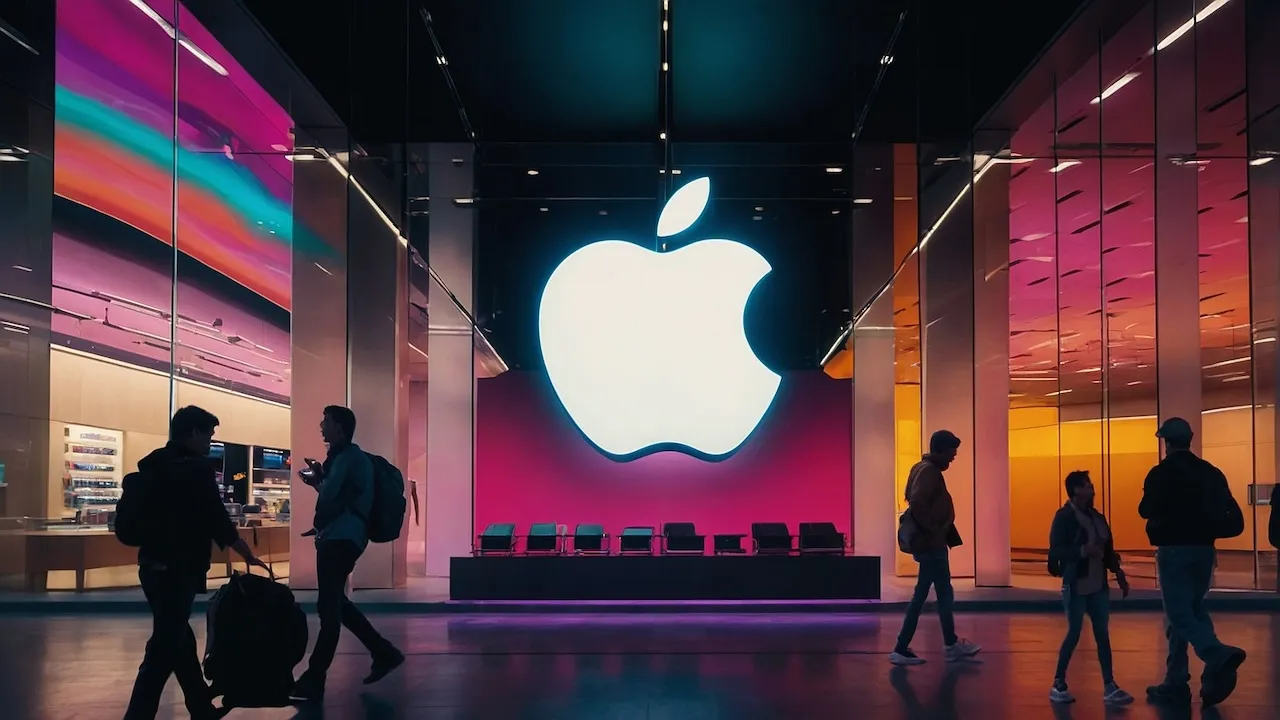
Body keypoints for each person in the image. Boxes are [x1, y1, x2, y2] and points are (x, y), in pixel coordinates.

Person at [125, 406, 269, 720]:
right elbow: (216, 517)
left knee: (177, 636)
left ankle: (201, 708)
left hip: (150, 566)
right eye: (208, 436)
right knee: (163, 647)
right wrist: (244, 552)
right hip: (180, 568)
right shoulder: (196, 470)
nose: (209, 442)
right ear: (193, 433)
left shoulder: (152, 465)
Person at [291, 405, 403, 703]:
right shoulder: (348, 458)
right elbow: (337, 495)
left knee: (329, 609)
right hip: (346, 537)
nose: (321, 426)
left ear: (339, 427)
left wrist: (318, 480)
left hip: (340, 538)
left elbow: (329, 496)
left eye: (326, 421)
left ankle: (315, 678)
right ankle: (383, 652)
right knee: (335, 603)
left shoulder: (347, 458)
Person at [1139, 417, 1247, 707]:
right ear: (1190, 439)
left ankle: (1216, 654)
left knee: (1178, 613)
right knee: (1191, 611)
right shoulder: (1211, 472)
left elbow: (1145, 510)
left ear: (1166, 443)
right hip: (1205, 551)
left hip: (1173, 550)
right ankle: (1175, 681)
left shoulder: (1161, 473)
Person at [888, 430, 981, 666]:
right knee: (927, 595)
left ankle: (949, 643)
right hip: (932, 545)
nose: (953, 456)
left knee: (940, 593)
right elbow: (918, 501)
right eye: (951, 451)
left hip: (933, 543)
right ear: (940, 449)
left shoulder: (921, 468)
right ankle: (903, 647)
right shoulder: (929, 471)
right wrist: (932, 530)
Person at [1046, 471, 1133, 706]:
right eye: (1087, 484)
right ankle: (1058, 682)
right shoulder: (1064, 517)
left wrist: (1118, 573)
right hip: (1076, 584)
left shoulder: (1096, 517)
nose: (1092, 487)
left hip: (1098, 585)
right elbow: (1056, 551)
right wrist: (1083, 551)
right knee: (1074, 632)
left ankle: (1109, 684)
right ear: (1075, 490)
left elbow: (1107, 550)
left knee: (1102, 634)